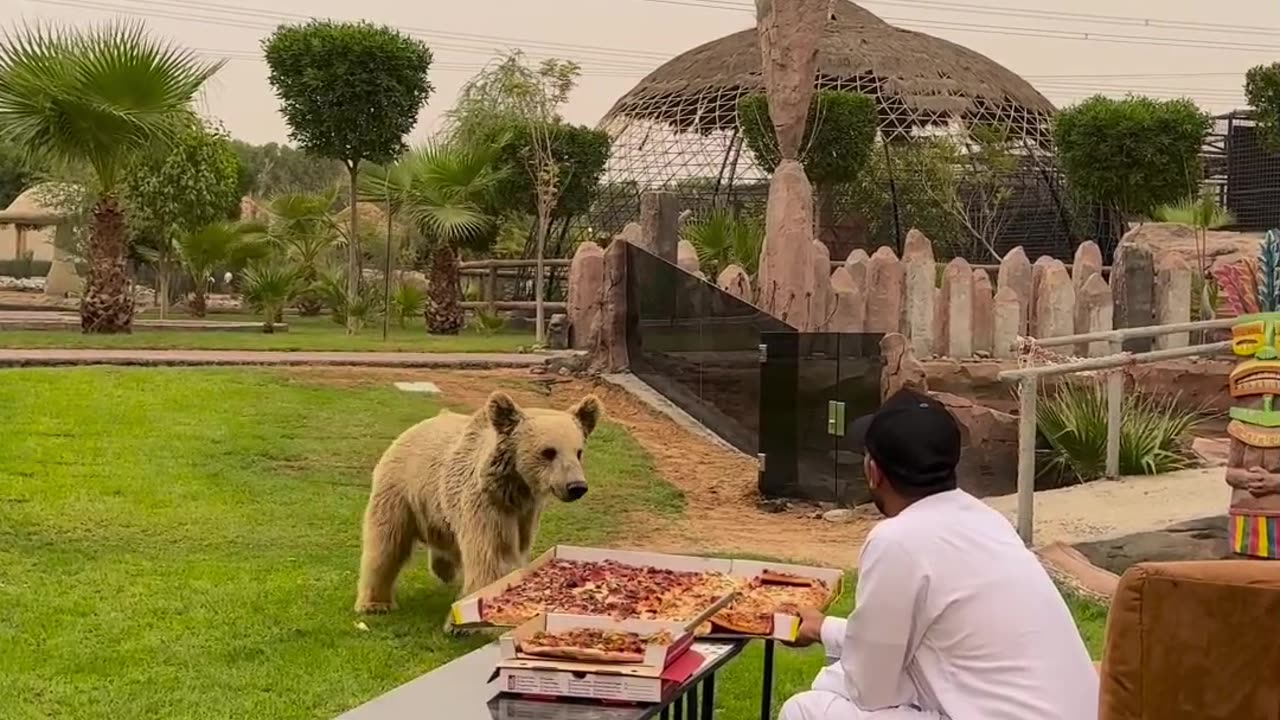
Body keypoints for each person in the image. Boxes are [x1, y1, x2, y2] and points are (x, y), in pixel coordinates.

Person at [779, 389, 1099, 720]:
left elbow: (872, 692)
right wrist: (823, 629)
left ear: (873, 472)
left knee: (806, 710)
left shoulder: (897, 540)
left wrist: (838, 667)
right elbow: (895, 645)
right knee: (839, 683)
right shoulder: (985, 520)